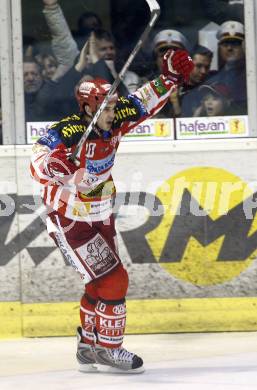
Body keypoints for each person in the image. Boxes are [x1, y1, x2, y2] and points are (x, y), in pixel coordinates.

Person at [30, 49, 194, 373]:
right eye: (106, 106)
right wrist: (55, 165)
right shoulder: (69, 131)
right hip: (69, 217)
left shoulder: (115, 120)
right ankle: (109, 349)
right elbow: (37, 158)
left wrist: (170, 78)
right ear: (88, 106)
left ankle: (87, 348)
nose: (113, 110)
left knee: (98, 285)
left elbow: (143, 101)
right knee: (115, 279)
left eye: (113, 104)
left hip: (101, 209)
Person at [208, 20, 247, 114]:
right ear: (219, 48)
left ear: (244, 47)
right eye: (225, 44)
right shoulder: (211, 78)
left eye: (235, 44)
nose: (229, 48)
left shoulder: (251, 76)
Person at [180, 45, 214, 117]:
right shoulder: (174, 89)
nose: (203, 71)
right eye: (198, 66)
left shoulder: (212, 88)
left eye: (207, 67)